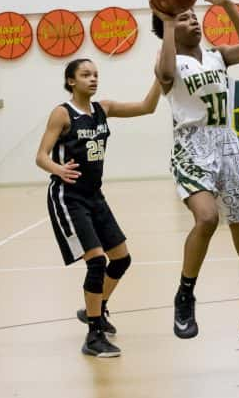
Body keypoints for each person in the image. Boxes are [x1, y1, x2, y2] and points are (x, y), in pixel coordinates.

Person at [150, 0, 239, 360]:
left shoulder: (218, 55)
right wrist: (166, 23)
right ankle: (184, 294)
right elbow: (162, 76)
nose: (192, 20)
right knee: (207, 218)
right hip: (191, 148)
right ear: (169, 28)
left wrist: (225, 3)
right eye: (183, 18)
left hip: (228, 145)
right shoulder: (168, 61)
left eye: (194, 15)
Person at [35, 58, 161, 357]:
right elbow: (40, 156)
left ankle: (96, 307)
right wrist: (57, 169)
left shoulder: (104, 108)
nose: (93, 79)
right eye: (85, 75)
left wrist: (160, 77)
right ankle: (93, 336)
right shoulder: (62, 114)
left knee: (121, 259)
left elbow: (147, 106)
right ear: (71, 81)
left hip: (95, 196)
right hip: (69, 197)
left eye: (95, 75)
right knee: (96, 261)